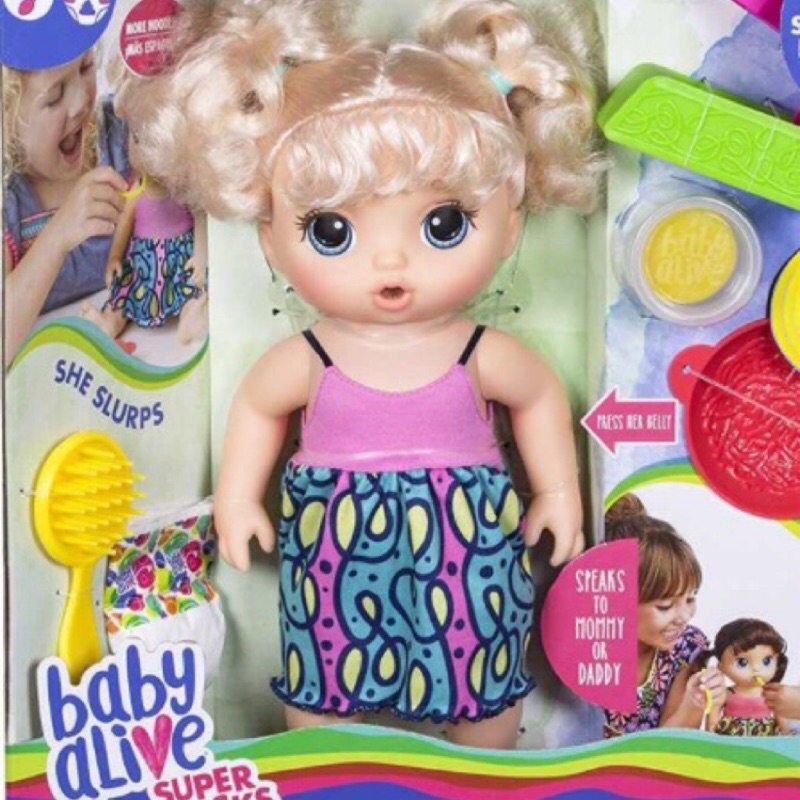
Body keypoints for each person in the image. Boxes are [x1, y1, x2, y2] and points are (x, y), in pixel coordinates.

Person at [131, 0, 604, 749]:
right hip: (335, 535)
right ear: (270, 240)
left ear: (510, 222)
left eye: (443, 225)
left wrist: (557, 492)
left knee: (480, 645)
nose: (389, 261)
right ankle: (322, 757)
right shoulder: (311, 357)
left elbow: (540, 395)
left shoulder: (477, 349)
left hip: (465, 539)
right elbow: (257, 407)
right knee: (326, 651)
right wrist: (238, 498)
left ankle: (486, 764)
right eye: (333, 230)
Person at [2, 53, 129, 366]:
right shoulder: (9, 201)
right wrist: (57, 236)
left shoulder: (119, 137)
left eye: (85, 68)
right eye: (54, 96)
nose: (80, 102)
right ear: (7, 119)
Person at [603, 494, 726, 737]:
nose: (684, 617)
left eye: (690, 599)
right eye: (665, 606)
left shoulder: (686, 648)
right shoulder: (586, 652)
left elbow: (670, 748)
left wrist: (694, 702)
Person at [702, 618, 790, 736]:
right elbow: (713, 715)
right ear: (721, 667)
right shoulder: (727, 694)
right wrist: (712, 727)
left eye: (766, 661)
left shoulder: (771, 694)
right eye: (742, 662)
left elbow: (781, 716)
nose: (756, 669)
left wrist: (785, 731)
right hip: (732, 739)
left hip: (765, 739)